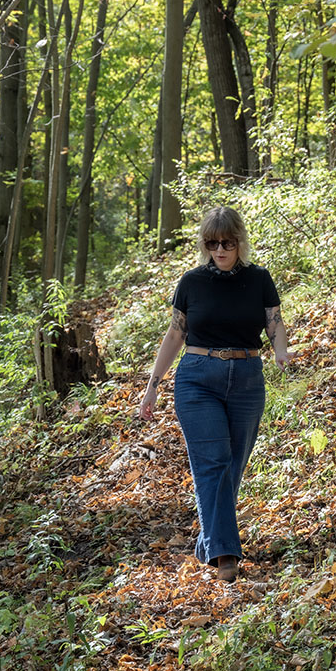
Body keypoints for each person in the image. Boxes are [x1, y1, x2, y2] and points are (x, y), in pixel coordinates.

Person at [139, 206, 291, 582]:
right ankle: (226, 556)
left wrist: (281, 351)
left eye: (227, 242)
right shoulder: (192, 282)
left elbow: (275, 323)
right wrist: (152, 386)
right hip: (196, 378)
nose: (219, 250)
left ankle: (210, 541)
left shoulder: (259, 279)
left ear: (240, 242)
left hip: (246, 378)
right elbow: (175, 334)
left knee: (232, 466)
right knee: (213, 463)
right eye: (212, 243)